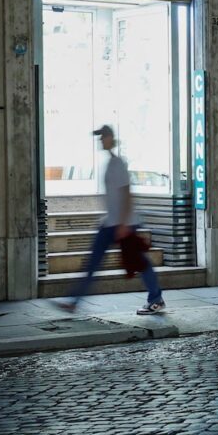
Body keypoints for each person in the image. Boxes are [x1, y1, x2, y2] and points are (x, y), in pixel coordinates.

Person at [57, 125, 164, 315]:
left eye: (102, 137)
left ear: (110, 138)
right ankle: (74, 301)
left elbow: (127, 194)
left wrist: (123, 224)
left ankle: (156, 300)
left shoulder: (118, 163)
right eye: (99, 137)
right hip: (111, 223)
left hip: (123, 224)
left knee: (139, 262)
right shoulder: (110, 162)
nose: (100, 141)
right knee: (93, 262)